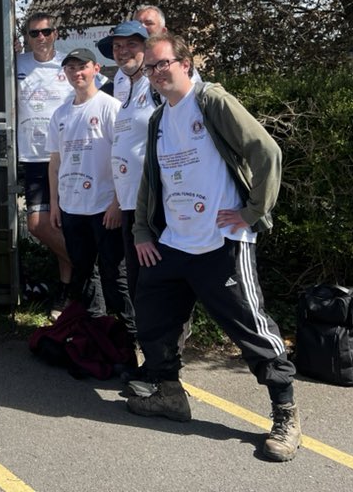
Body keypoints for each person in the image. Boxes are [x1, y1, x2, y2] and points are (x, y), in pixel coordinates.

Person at [127, 33, 300, 462]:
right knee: (153, 320)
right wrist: (143, 232)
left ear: (186, 63)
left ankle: (286, 413)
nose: (156, 73)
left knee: (250, 326)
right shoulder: (158, 119)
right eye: (150, 67)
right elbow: (152, 179)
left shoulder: (212, 102)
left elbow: (266, 151)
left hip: (221, 241)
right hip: (173, 243)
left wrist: (252, 212)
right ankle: (170, 395)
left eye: (162, 63)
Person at [46, 48, 134, 333]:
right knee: (83, 274)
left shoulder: (110, 107)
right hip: (72, 208)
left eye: (82, 66)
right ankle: (96, 332)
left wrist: (117, 203)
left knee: (114, 275)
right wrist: (55, 204)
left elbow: (124, 159)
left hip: (104, 207)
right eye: (70, 68)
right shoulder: (60, 114)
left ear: (96, 68)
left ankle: (132, 335)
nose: (76, 73)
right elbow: (55, 163)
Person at [15, 12, 78, 317]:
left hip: (68, 157)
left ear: (56, 33)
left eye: (46, 32)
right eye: (34, 33)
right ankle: (90, 273)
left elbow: (97, 93)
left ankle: (66, 292)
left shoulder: (69, 64)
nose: (40, 38)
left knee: (63, 224)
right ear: (26, 37)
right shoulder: (17, 65)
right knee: (39, 225)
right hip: (34, 157)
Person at [95, 21, 153, 302]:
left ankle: (167, 344)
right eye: (117, 46)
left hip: (154, 204)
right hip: (130, 203)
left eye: (131, 44)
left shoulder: (155, 86)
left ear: (146, 48)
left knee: (156, 282)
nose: (122, 51)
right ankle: (149, 342)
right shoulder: (125, 88)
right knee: (137, 282)